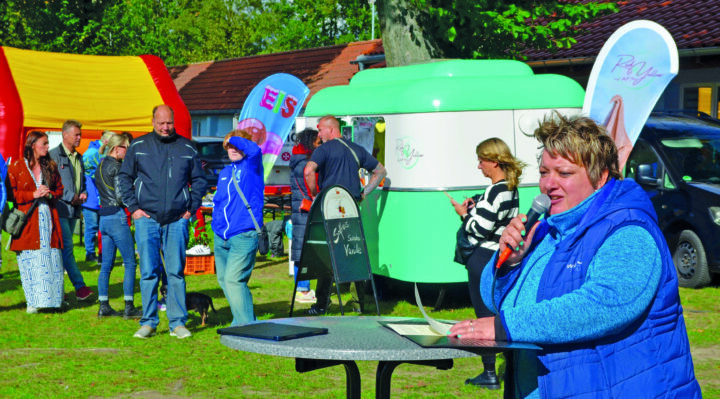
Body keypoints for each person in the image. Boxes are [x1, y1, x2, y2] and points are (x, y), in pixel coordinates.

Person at [449, 113, 701, 398]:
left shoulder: (629, 230)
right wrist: (509, 264)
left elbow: (604, 304)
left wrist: (505, 327)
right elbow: (492, 298)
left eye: (564, 173)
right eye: (544, 172)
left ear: (600, 176)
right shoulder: (547, 229)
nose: (549, 184)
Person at [117, 104, 207, 339]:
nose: (165, 127)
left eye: (169, 123)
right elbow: (124, 177)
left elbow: (198, 180)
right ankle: (148, 322)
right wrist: (134, 208)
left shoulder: (187, 147)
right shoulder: (138, 145)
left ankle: (177, 323)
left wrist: (190, 209)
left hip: (177, 220)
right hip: (146, 218)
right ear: (153, 121)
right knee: (148, 272)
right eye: (161, 123)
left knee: (176, 273)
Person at [449, 137, 525, 389]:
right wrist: (475, 206)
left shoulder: (495, 190)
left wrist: (464, 214)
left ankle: (489, 373)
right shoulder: (511, 188)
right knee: (498, 311)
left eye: (481, 160)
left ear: (493, 161)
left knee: (484, 316)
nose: (479, 166)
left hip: (483, 258)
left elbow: (479, 229)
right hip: (500, 257)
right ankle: (510, 367)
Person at [304, 115, 387, 315]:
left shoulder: (323, 150)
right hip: (351, 210)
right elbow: (380, 171)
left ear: (331, 129)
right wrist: (363, 194)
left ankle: (322, 305)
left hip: (330, 208)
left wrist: (316, 194)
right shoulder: (356, 149)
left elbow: (308, 171)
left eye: (320, 130)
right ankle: (359, 305)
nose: (319, 135)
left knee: (326, 256)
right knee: (353, 252)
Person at [8, 131, 65, 313]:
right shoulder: (17, 166)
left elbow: (59, 189)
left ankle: (54, 301)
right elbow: (11, 193)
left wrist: (49, 194)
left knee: (51, 258)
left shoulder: (50, 166)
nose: (48, 147)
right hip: (28, 221)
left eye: (48, 143)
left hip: (48, 218)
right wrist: (32, 195)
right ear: (33, 145)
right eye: (44, 143)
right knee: (30, 260)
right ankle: (33, 302)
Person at [212, 131, 264, 326]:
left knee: (234, 280)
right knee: (225, 280)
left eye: (237, 146)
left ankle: (245, 326)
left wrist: (233, 138)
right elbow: (220, 201)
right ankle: (243, 319)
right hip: (221, 236)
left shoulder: (252, 167)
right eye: (229, 147)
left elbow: (255, 151)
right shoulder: (226, 172)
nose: (232, 149)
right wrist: (216, 225)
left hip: (243, 234)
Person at [95, 133, 142, 319]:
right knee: (130, 262)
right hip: (116, 216)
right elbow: (121, 196)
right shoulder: (117, 167)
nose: (128, 151)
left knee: (106, 266)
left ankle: (103, 305)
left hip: (104, 217)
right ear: (117, 149)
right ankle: (129, 306)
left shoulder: (100, 165)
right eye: (126, 147)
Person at [49, 119, 94, 302]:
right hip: (60, 209)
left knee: (62, 251)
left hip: (74, 209)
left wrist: (82, 192)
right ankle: (80, 287)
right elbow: (52, 183)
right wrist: (71, 196)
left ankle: (56, 291)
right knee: (67, 249)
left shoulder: (79, 157)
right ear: (64, 134)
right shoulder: (53, 156)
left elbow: (81, 182)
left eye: (80, 134)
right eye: (76, 134)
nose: (79, 137)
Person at [289, 128, 321, 304]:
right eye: (317, 142)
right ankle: (302, 288)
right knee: (302, 251)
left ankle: (301, 287)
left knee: (300, 249)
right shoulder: (305, 164)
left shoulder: (297, 159)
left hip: (299, 211)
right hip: (305, 211)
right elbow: (311, 188)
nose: (320, 145)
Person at [82, 130, 117, 263]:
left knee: (102, 227)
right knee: (91, 227)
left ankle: (102, 253)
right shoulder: (91, 153)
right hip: (91, 197)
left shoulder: (105, 153)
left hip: (101, 197)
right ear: (107, 142)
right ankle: (90, 253)